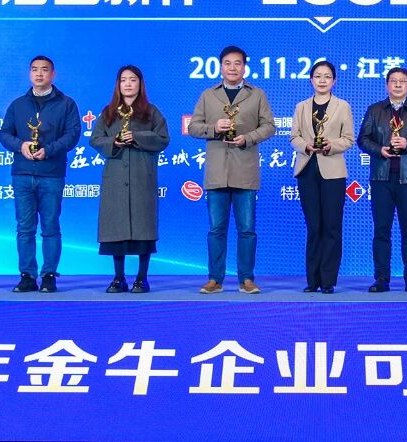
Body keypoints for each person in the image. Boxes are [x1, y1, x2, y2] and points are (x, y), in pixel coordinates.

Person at [188, 45, 276, 294]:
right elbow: (193, 127)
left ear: (245, 67)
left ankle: (246, 279)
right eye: (227, 63)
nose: (233, 68)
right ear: (220, 67)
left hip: (245, 171)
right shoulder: (208, 95)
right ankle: (215, 279)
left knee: (247, 230)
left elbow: (269, 126)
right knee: (216, 229)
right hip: (217, 172)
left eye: (238, 63)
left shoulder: (257, 95)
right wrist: (214, 128)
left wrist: (248, 138)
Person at [0, 56, 81, 293]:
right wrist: (20, 145)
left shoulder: (66, 104)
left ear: (53, 74)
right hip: (22, 174)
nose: (39, 74)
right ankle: (27, 275)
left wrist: (49, 150)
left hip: (51, 174)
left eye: (44, 70)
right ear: (29, 74)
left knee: (50, 227)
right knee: (25, 228)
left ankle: (49, 275)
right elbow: (4, 134)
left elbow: (72, 135)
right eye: (35, 70)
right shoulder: (18, 105)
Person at [89, 65, 170, 294]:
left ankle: (142, 278)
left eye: (133, 79)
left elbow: (163, 139)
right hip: (115, 176)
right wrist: (114, 142)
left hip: (142, 177)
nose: (128, 84)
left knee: (144, 230)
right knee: (116, 230)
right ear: (118, 84)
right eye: (123, 80)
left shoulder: (151, 112)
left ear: (140, 84)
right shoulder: (108, 112)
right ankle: (118, 278)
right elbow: (95, 139)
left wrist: (136, 137)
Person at [357, 67, 407, 293]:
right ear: (387, 85)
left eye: (403, 81)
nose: (398, 85)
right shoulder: (375, 110)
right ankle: (381, 278)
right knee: (382, 230)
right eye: (393, 81)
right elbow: (363, 139)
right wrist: (379, 149)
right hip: (381, 179)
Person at [290, 61, 355, 294]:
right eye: (318, 76)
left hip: (333, 172)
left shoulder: (342, 106)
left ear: (334, 81)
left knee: (332, 226)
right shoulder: (301, 107)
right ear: (311, 80)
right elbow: (294, 137)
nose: (322, 80)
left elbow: (348, 139)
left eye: (327, 76)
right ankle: (312, 280)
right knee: (314, 226)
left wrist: (331, 145)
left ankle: (328, 280)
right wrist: (306, 146)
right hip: (307, 170)